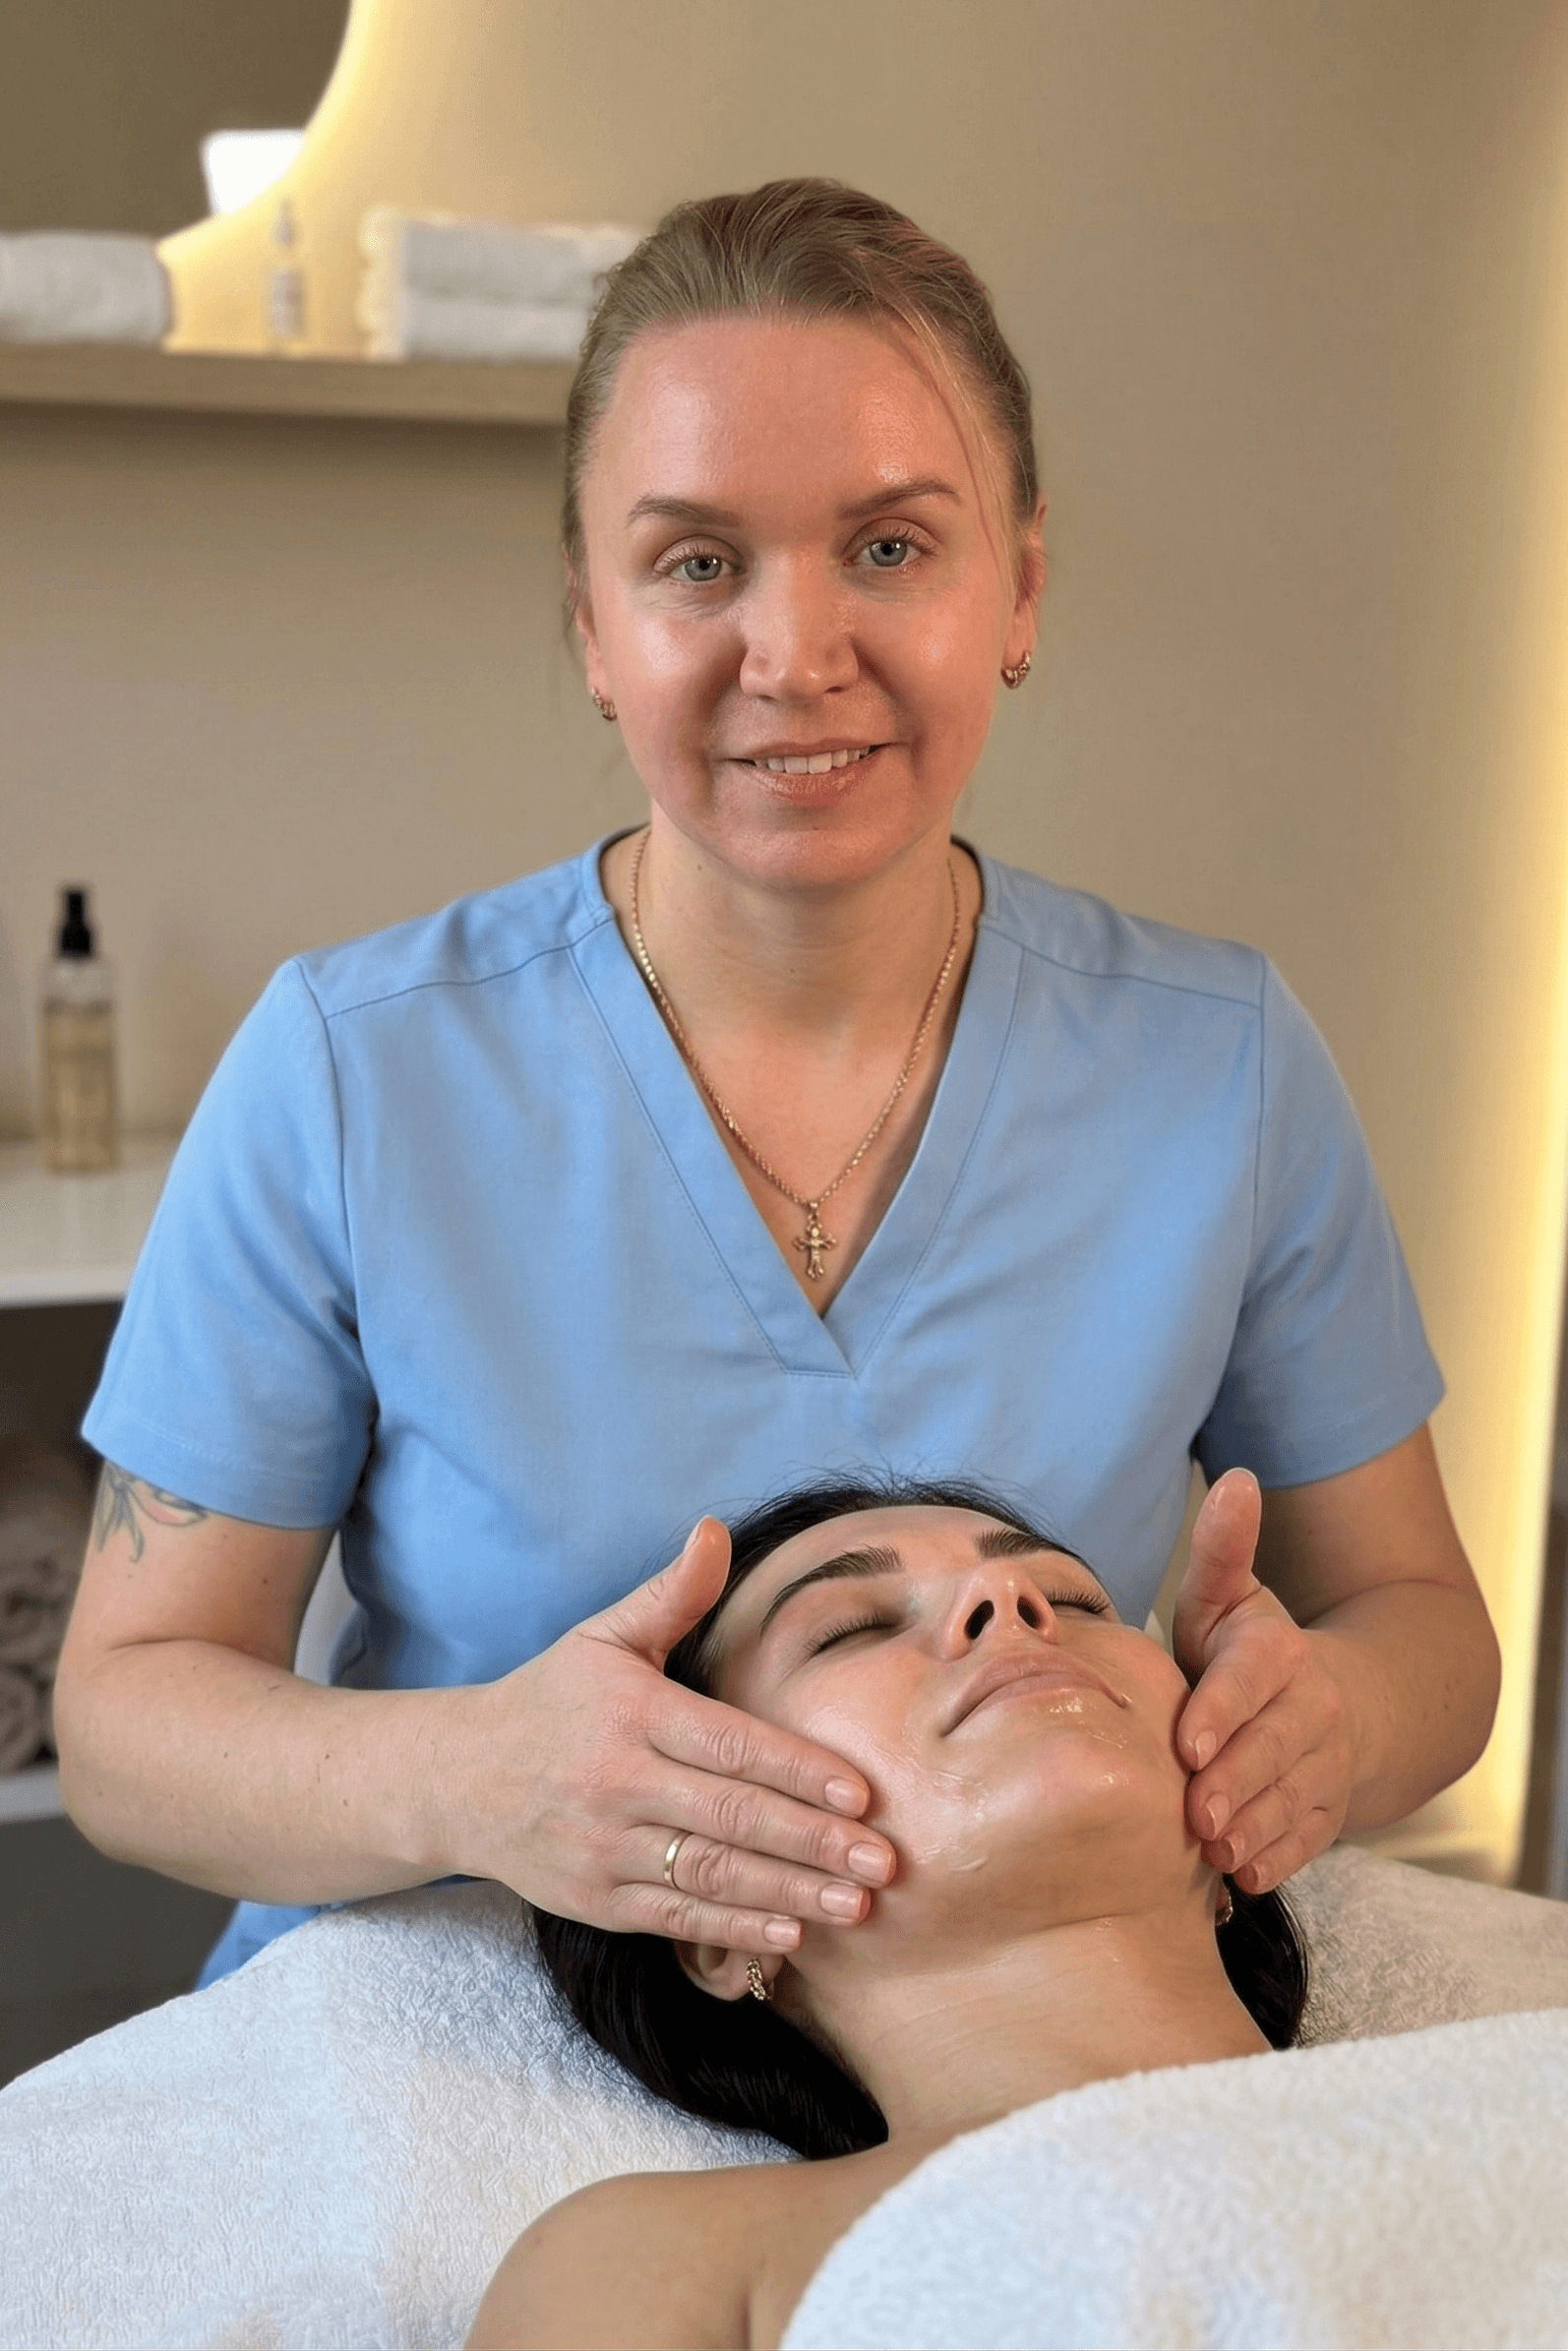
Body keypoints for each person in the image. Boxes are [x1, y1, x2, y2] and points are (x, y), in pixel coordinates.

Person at [55, 178, 1496, 1997]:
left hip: (997, 2050)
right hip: (442, 2051)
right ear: (591, 623)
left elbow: (1420, 1625)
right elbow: (121, 1718)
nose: (793, 655)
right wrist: (473, 1781)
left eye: (889, 547)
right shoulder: (352, 1072)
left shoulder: (1216, 1068)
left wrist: (1321, 1730)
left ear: (1016, 590)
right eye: (695, 562)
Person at [467, 1472, 1307, 2350]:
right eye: (849, 1630)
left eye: (1078, 1602)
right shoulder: (660, 2264)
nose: (1007, 1598)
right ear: (714, 1909)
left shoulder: (1462, 2097)